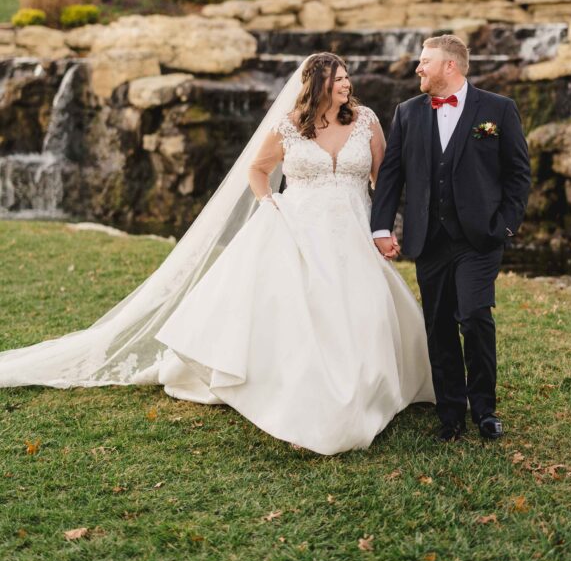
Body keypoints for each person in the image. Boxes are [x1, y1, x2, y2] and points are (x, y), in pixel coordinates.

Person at [0, 53, 434, 456]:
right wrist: (269, 204)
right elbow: (258, 170)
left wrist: (384, 228)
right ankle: (299, 388)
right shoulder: (289, 125)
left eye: (347, 78)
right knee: (304, 311)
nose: (347, 84)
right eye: (338, 79)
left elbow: (383, 178)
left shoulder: (366, 121)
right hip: (300, 229)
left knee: (364, 311)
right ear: (316, 85)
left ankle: (373, 387)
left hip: (353, 233)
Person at [371, 34, 531, 443]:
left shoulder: (498, 109)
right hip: (429, 239)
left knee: (475, 317)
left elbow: (518, 174)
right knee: (438, 324)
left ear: (450, 67)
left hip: (479, 239)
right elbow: (391, 175)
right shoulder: (407, 113)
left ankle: (485, 410)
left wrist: (506, 225)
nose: (418, 68)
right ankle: (451, 414)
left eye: (426, 61)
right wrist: (382, 227)